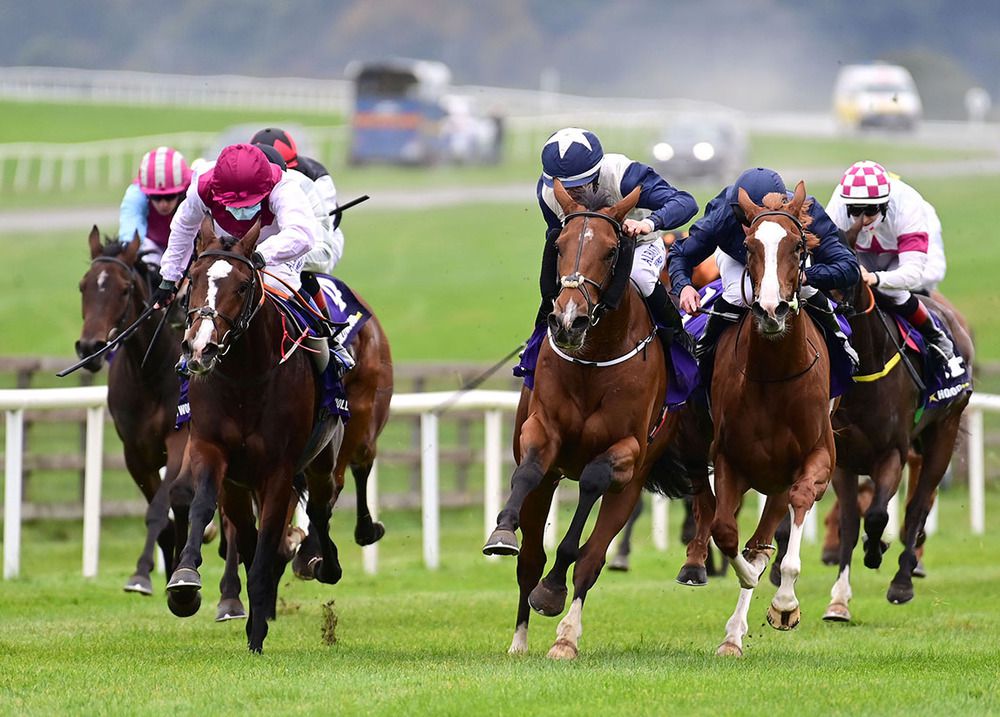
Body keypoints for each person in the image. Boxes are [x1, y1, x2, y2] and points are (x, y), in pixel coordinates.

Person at [668, 167, 861, 378]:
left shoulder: (808, 212)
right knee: (741, 294)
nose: (749, 224)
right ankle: (701, 351)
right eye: (743, 216)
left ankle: (841, 344)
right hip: (739, 256)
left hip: (784, 256)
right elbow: (680, 253)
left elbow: (849, 267)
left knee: (805, 290)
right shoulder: (721, 216)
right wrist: (684, 286)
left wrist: (806, 276)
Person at [535, 127, 699, 351]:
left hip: (640, 243)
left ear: (595, 173)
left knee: (641, 278)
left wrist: (648, 223)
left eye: (578, 186)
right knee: (557, 283)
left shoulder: (624, 174)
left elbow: (685, 202)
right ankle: (536, 343)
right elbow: (557, 236)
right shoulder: (547, 192)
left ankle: (680, 342)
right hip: (587, 250)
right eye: (566, 188)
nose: (571, 195)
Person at [825, 161, 961, 373]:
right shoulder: (838, 206)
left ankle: (938, 338)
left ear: (885, 205)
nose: (863, 217)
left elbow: (914, 274)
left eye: (870, 210)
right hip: (865, 249)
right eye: (856, 210)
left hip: (905, 250)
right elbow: (827, 256)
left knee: (896, 290)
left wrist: (876, 279)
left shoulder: (909, 207)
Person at [151, 143, 321, 308]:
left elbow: (301, 234)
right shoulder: (202, 188)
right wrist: (169, 278)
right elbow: (184, 228)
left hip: (276, 244)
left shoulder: (284, 188)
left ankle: (319, 329)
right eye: (233, 204)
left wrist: (259, 256)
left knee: (276, 282)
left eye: (247, 204)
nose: (240, 210)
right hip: (227, 241)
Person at [118, 146, 192, 267]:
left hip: (189, 243)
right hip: (154, 245)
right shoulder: (135, 194)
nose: (163, 204)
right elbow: (130, 232)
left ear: (182, 189)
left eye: (170, 196)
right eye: (156, 197)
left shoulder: (195, 186)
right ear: (146, 193)